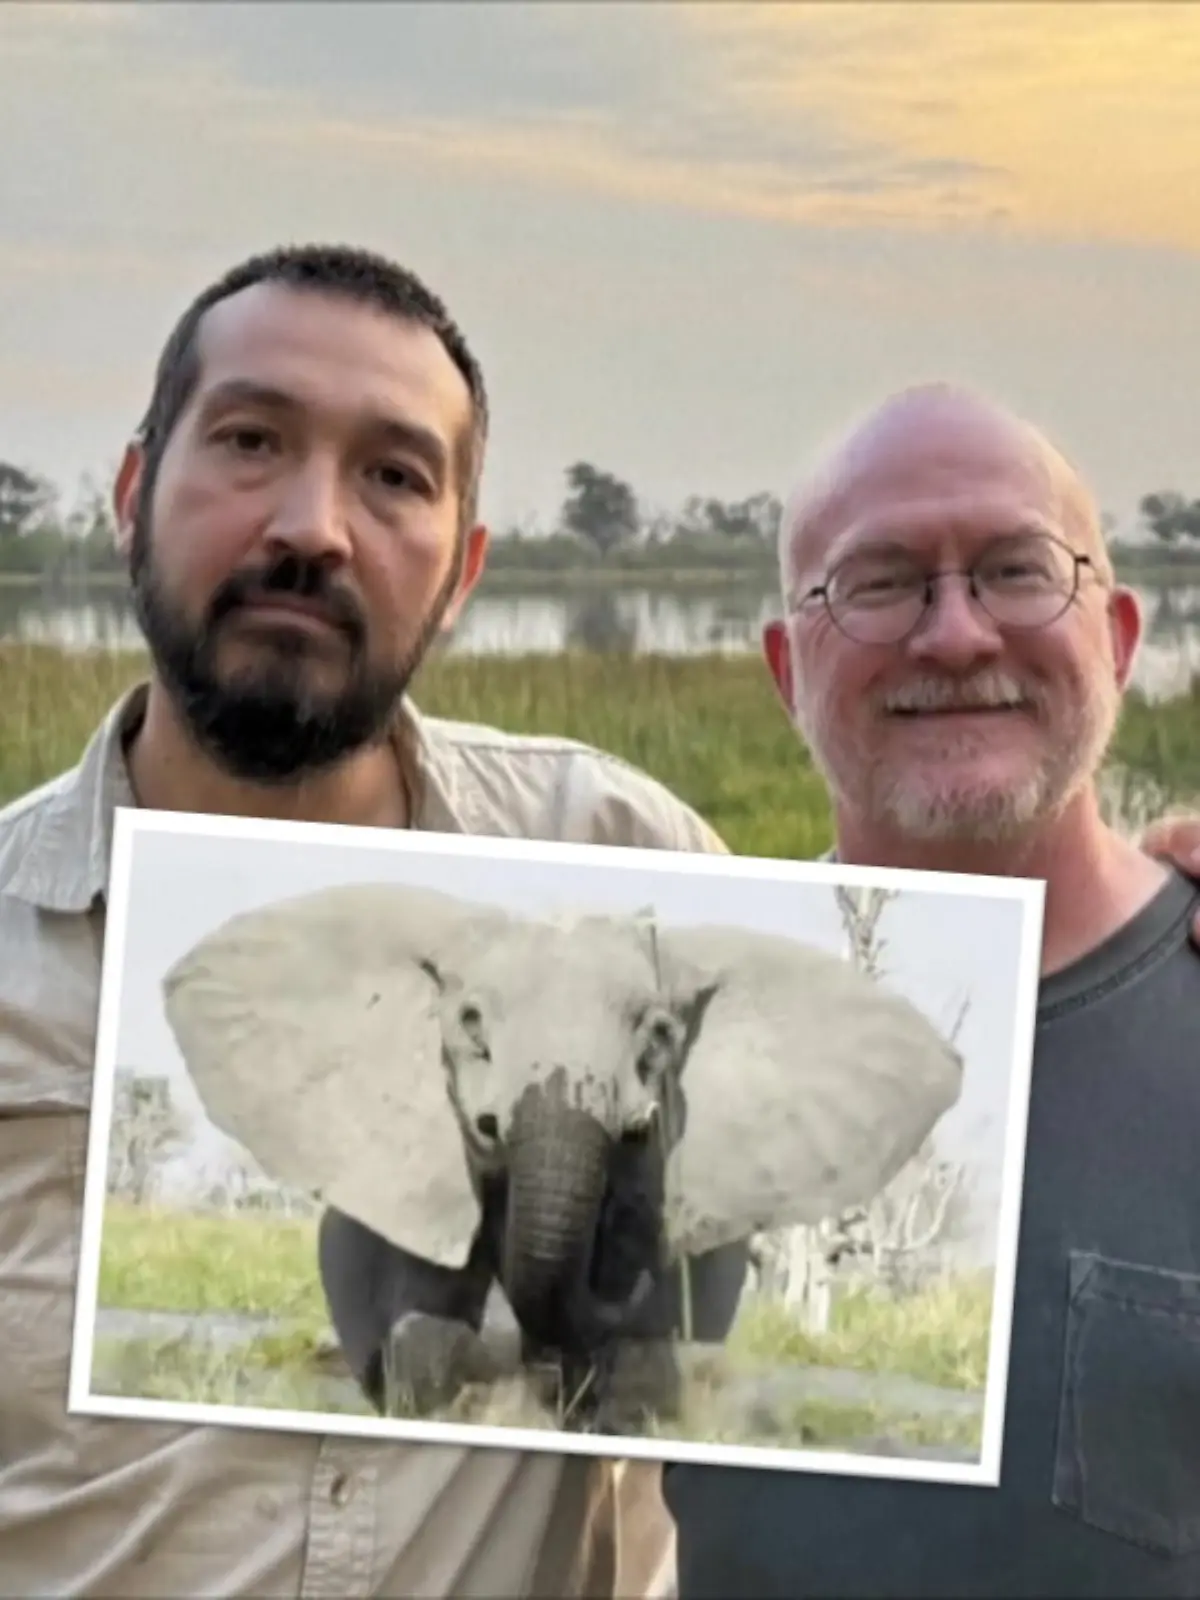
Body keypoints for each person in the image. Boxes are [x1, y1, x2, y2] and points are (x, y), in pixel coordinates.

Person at [0, 243, 749, 1599]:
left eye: (393, 475)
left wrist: (1137, 907)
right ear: (130, 496)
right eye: (248, 440)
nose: (312, 527)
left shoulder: (622, 858)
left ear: (462, 572)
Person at [662, 382, 1200, 1598]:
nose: (954, 635)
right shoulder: (672, 1032)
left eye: (1016, 571)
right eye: (880, 580)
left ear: (1117, 637)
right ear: (784, 666)